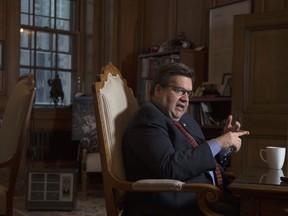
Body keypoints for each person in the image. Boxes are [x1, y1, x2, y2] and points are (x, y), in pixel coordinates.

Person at [122, 62, 249, 216]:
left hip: (208, 194)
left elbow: (195, 158)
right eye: (179, 90)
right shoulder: (148, 118)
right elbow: (170, 167)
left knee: (258, 203)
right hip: (174, 204)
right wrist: (219, 142)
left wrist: (224, 147)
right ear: (158, 90)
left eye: (189, 93)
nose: (186, 99)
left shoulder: (184, 118)